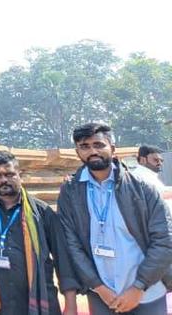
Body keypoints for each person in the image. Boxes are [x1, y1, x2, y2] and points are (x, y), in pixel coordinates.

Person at [57, 122, 172, 314]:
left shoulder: (142, 189)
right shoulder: (70, 193)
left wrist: (138, 287)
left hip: (146, 293)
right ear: (77, 151)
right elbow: (71, 244)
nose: (92, 151)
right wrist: (98, 287)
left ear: (112, 148)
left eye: (99, 145)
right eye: (85, 146)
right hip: (101, 296)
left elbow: (165, 239)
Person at [0, 150, 78, 315]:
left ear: (20, 174)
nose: (3, 180)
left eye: (9, 174)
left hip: (38, 299)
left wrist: (71, 306)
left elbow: (63, 260)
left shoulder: (42, 212)